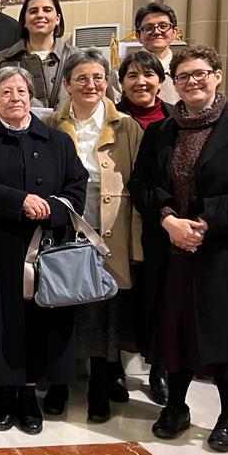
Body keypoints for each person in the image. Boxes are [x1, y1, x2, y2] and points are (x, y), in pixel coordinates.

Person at [128, 45, 228, 453]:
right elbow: (141, 184)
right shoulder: (161, 132)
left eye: (200, 73)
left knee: (227, 336)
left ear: (217, 76)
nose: (193, 82)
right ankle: (176, 408)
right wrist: (167, 219)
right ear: (173, 84)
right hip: (174, 250)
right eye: (183, 76)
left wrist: (205, 224)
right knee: (177, 333)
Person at [0, 66, 87, 435]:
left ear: (33, 98)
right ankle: (5, 392)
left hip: (46, 248)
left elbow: (77, 188)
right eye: (6, 92)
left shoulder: (57, 141)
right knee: (0, 320)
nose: (16, 98)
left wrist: (51, 208)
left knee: (40, 323)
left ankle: (30, 395)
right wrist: (19, 201)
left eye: (22, 91)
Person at [42, 48, 143, 423]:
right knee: (60, 308)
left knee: (106, 312)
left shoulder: (127, 126)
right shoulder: (52, 124)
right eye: (81, 78)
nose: (91, 84)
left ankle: (100, 385)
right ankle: (58, 384)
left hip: (110, 232)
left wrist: (134, 243)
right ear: (66, 84)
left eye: (98, 77)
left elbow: (139, 183)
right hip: (65, 230)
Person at [114, 49, 174, 404]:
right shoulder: (113, 117)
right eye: (132, 76)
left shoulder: (174, 120)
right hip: (120, 219)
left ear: (161, 81)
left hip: (160, 220)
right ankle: (115, 368)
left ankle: (160, 368)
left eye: (148, 75)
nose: (141, 82)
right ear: (121, 83)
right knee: (124, 296)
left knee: (161, 296)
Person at [0, 0, 74, 110]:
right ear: (24, 21)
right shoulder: (2, 59)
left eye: (47, 10)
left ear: (57, 19)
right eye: (33, 11)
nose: (40, 15)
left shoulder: (76, 58)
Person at [110, 3, 181, 104]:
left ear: (174, 32)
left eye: (163, 26)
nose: (157, 32)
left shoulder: (184, 71)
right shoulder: (119, 73)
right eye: (148, 28)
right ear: (138, 36)